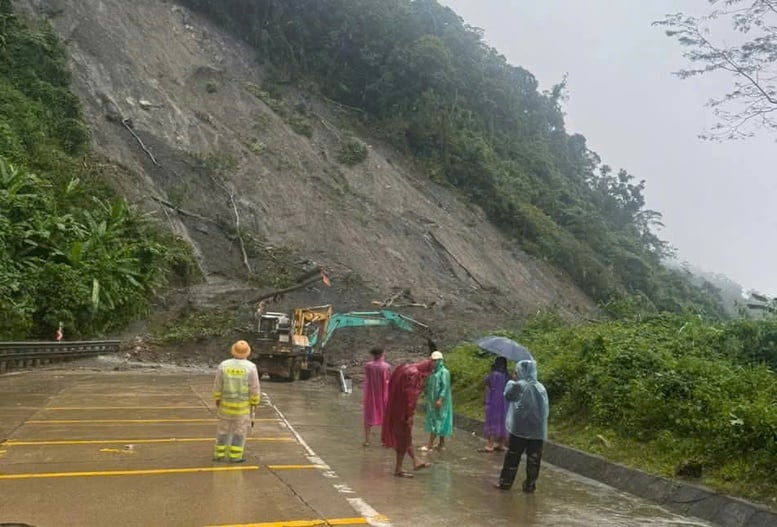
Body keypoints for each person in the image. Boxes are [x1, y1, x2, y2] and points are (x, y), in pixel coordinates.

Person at [495, 359, 549, 493]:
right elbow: (545, 409)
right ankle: (530, 485)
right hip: (537, 430)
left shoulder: (519, 385)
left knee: (513, 456)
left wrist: (511, 382)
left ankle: (505, 482)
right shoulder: (540, 387)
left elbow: (508, 396)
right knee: (534, 459)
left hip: (519, 429)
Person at [381, 359, 436, 478]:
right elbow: (411, 397)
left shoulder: (404, 367)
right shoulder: (415, 374)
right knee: (404, 437)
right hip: (403, 412)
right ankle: (403, 466)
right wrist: (410, 414)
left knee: (404, 437)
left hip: (395, 407)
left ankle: (413, 461)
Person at [212, 340, 261, 463]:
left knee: (222, 431)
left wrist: (217, 398)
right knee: (239, 432)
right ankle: (235, 456)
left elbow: (218, 384)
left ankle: (219, 454)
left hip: (225, 406)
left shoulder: (224, 365)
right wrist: (255, 401)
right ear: (247, 353)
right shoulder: (250, 367)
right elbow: (254, 387)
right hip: (241, 408)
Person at [420, 350, 453, 451]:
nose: (433, 363)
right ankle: (441, 443)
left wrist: (440, 399)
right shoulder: (434, 373)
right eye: (432, 361)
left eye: (434, 361)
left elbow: (445, 387)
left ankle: (429, 444)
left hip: (441, 401)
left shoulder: (444, 372)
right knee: (439, 420)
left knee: (437, 420)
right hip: (433, 401)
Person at [362, 346, 391, 447]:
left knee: (368, 417)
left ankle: (367, 440)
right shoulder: (386, 366)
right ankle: (385, 440)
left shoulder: (368, 365)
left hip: (370, 395)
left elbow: (367, 379)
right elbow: (388, 381)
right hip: (383, 395)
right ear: (382, 353)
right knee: (385, 418)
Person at [480, 356, 508, 453]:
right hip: (504, 402)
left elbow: (486, 384)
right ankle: (501, 444)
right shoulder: (507, 375)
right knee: (503, 422)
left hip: (493, 401)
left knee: (492, 421)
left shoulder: (493, 375)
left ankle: (490, 444)